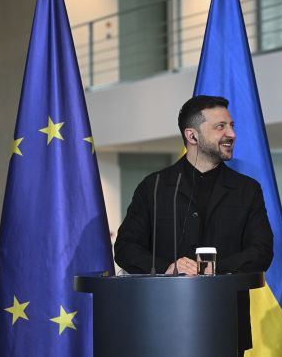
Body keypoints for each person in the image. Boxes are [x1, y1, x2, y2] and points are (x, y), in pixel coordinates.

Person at [114, 95, 273, 355]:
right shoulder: (153, 186)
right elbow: (125, 248)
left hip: (225, 325)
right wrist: (168, 267)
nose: (231, 134)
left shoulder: (248, 190)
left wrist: (215, 269)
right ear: (192, 135)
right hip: (160, 324)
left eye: (231, 126)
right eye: (220, 126)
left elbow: (262, 251)